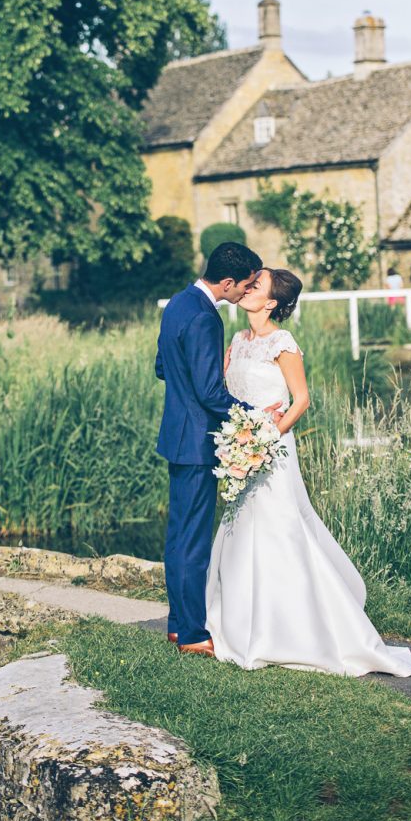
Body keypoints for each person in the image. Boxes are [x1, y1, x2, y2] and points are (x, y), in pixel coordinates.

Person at [205, 267, 411, 677]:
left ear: (271, 302)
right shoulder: (236, 340)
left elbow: (301, 400)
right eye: (250, 283)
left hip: (271, 450)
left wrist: (265, 438)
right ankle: (238, 622)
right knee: (240, 529)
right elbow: (223, 391)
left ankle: (296, 630)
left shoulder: (282, 342)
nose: (249, 287)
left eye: (258, 285)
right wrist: (238, 431)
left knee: (280, 531)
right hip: (242, 446)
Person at [155, 242, 282, 657]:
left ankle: (177, 624)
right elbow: (211, 393)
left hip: (177, 436)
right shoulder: (206, 318)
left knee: (178, 538)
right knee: (192, 541)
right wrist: (255, 416)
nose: (245, 291)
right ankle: (192, 634)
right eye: (244, 284)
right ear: (227, 282)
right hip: (196, 442)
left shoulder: (177, 303)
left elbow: (162, 367)